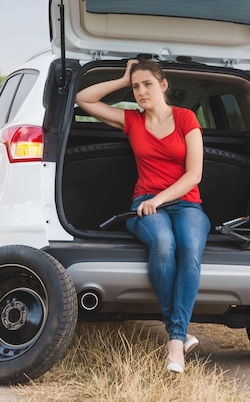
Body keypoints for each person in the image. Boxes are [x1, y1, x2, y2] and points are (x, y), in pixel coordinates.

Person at [75, 59, 211, 373]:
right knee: (163, 244)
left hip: (186, 203)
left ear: (163, 85)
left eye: (147, 84)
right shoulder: (132, 120)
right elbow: (84, 99)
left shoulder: (185, 118)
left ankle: (175, 338)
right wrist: (122, 80)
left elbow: (195, 175)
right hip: (144, 203)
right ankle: (177, 338)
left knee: (190, 248)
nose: (140, 91)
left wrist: (162, 199)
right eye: (136, 86)